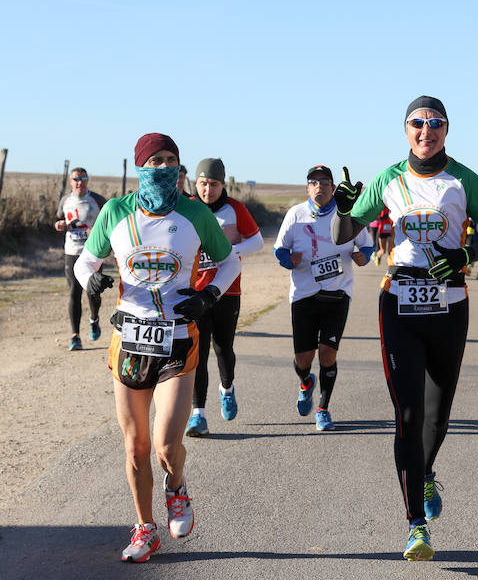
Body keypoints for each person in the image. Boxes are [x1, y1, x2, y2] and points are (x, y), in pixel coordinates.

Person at [331, 95, 478, 561]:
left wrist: (465, 255)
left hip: (449, 304)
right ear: (405, 129)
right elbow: (342, 235)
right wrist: (343, 210)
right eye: (417, 123)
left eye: (435, 123)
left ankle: (425, 472)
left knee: (437, 414)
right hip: (400, 302)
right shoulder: (389, 179)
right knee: (407, 416)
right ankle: (416, 525)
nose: (425, 130)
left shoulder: (464, 179)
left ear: (446, 130)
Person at [74, 133, 240, 563]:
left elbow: (230, 261)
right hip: (129, 338)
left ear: (179, 167)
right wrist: (88, 280)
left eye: (171, 160)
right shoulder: (115, 212)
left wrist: (210, 296)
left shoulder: (195, 214)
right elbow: (85, 261)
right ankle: (145, 528)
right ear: (141, 166)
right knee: (135, 447)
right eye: (155, 160)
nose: (164, 167)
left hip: (178, 338)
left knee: (166, 446)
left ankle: (177, 487)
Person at [274, 165, 373, 431]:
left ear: (332, 187)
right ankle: (306, 382)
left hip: (338, 292)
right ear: (307, 188)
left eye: (325, 182)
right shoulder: (296, 215)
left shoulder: (347, 214)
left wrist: (364, 256)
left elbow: (366, 244)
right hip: (304, 294)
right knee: (303, 359)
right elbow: (279, 249)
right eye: (314, 182)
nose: (319, 186)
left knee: (328, 354)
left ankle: (323, 408)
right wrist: (288, 260)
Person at [185, 158, 264, 437]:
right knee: (199, 352)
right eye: (204, 183)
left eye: (214, 184)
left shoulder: (235, 209)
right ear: (196, 183)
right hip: (195, 293)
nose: (208, 190)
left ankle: (227, 388)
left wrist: (230, 251)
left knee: (223, 350)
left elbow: (258, 241)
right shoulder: (187, 210)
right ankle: (198, 414)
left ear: (223, 184)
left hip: (227, 290)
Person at [55, 168, 106, 350]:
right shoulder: (65, 200)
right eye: (76, 179)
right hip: (72, 251)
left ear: (87, 180)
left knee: (93, 292)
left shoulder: (98, 200)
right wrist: (59, 224)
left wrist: (98, 231)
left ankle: (94, 318)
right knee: (74, 292)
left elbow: (109, 222)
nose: (79, 183)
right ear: (70, 181)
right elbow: (59, 219)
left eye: (82, 179)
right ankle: (75, 336)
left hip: (93, 253)